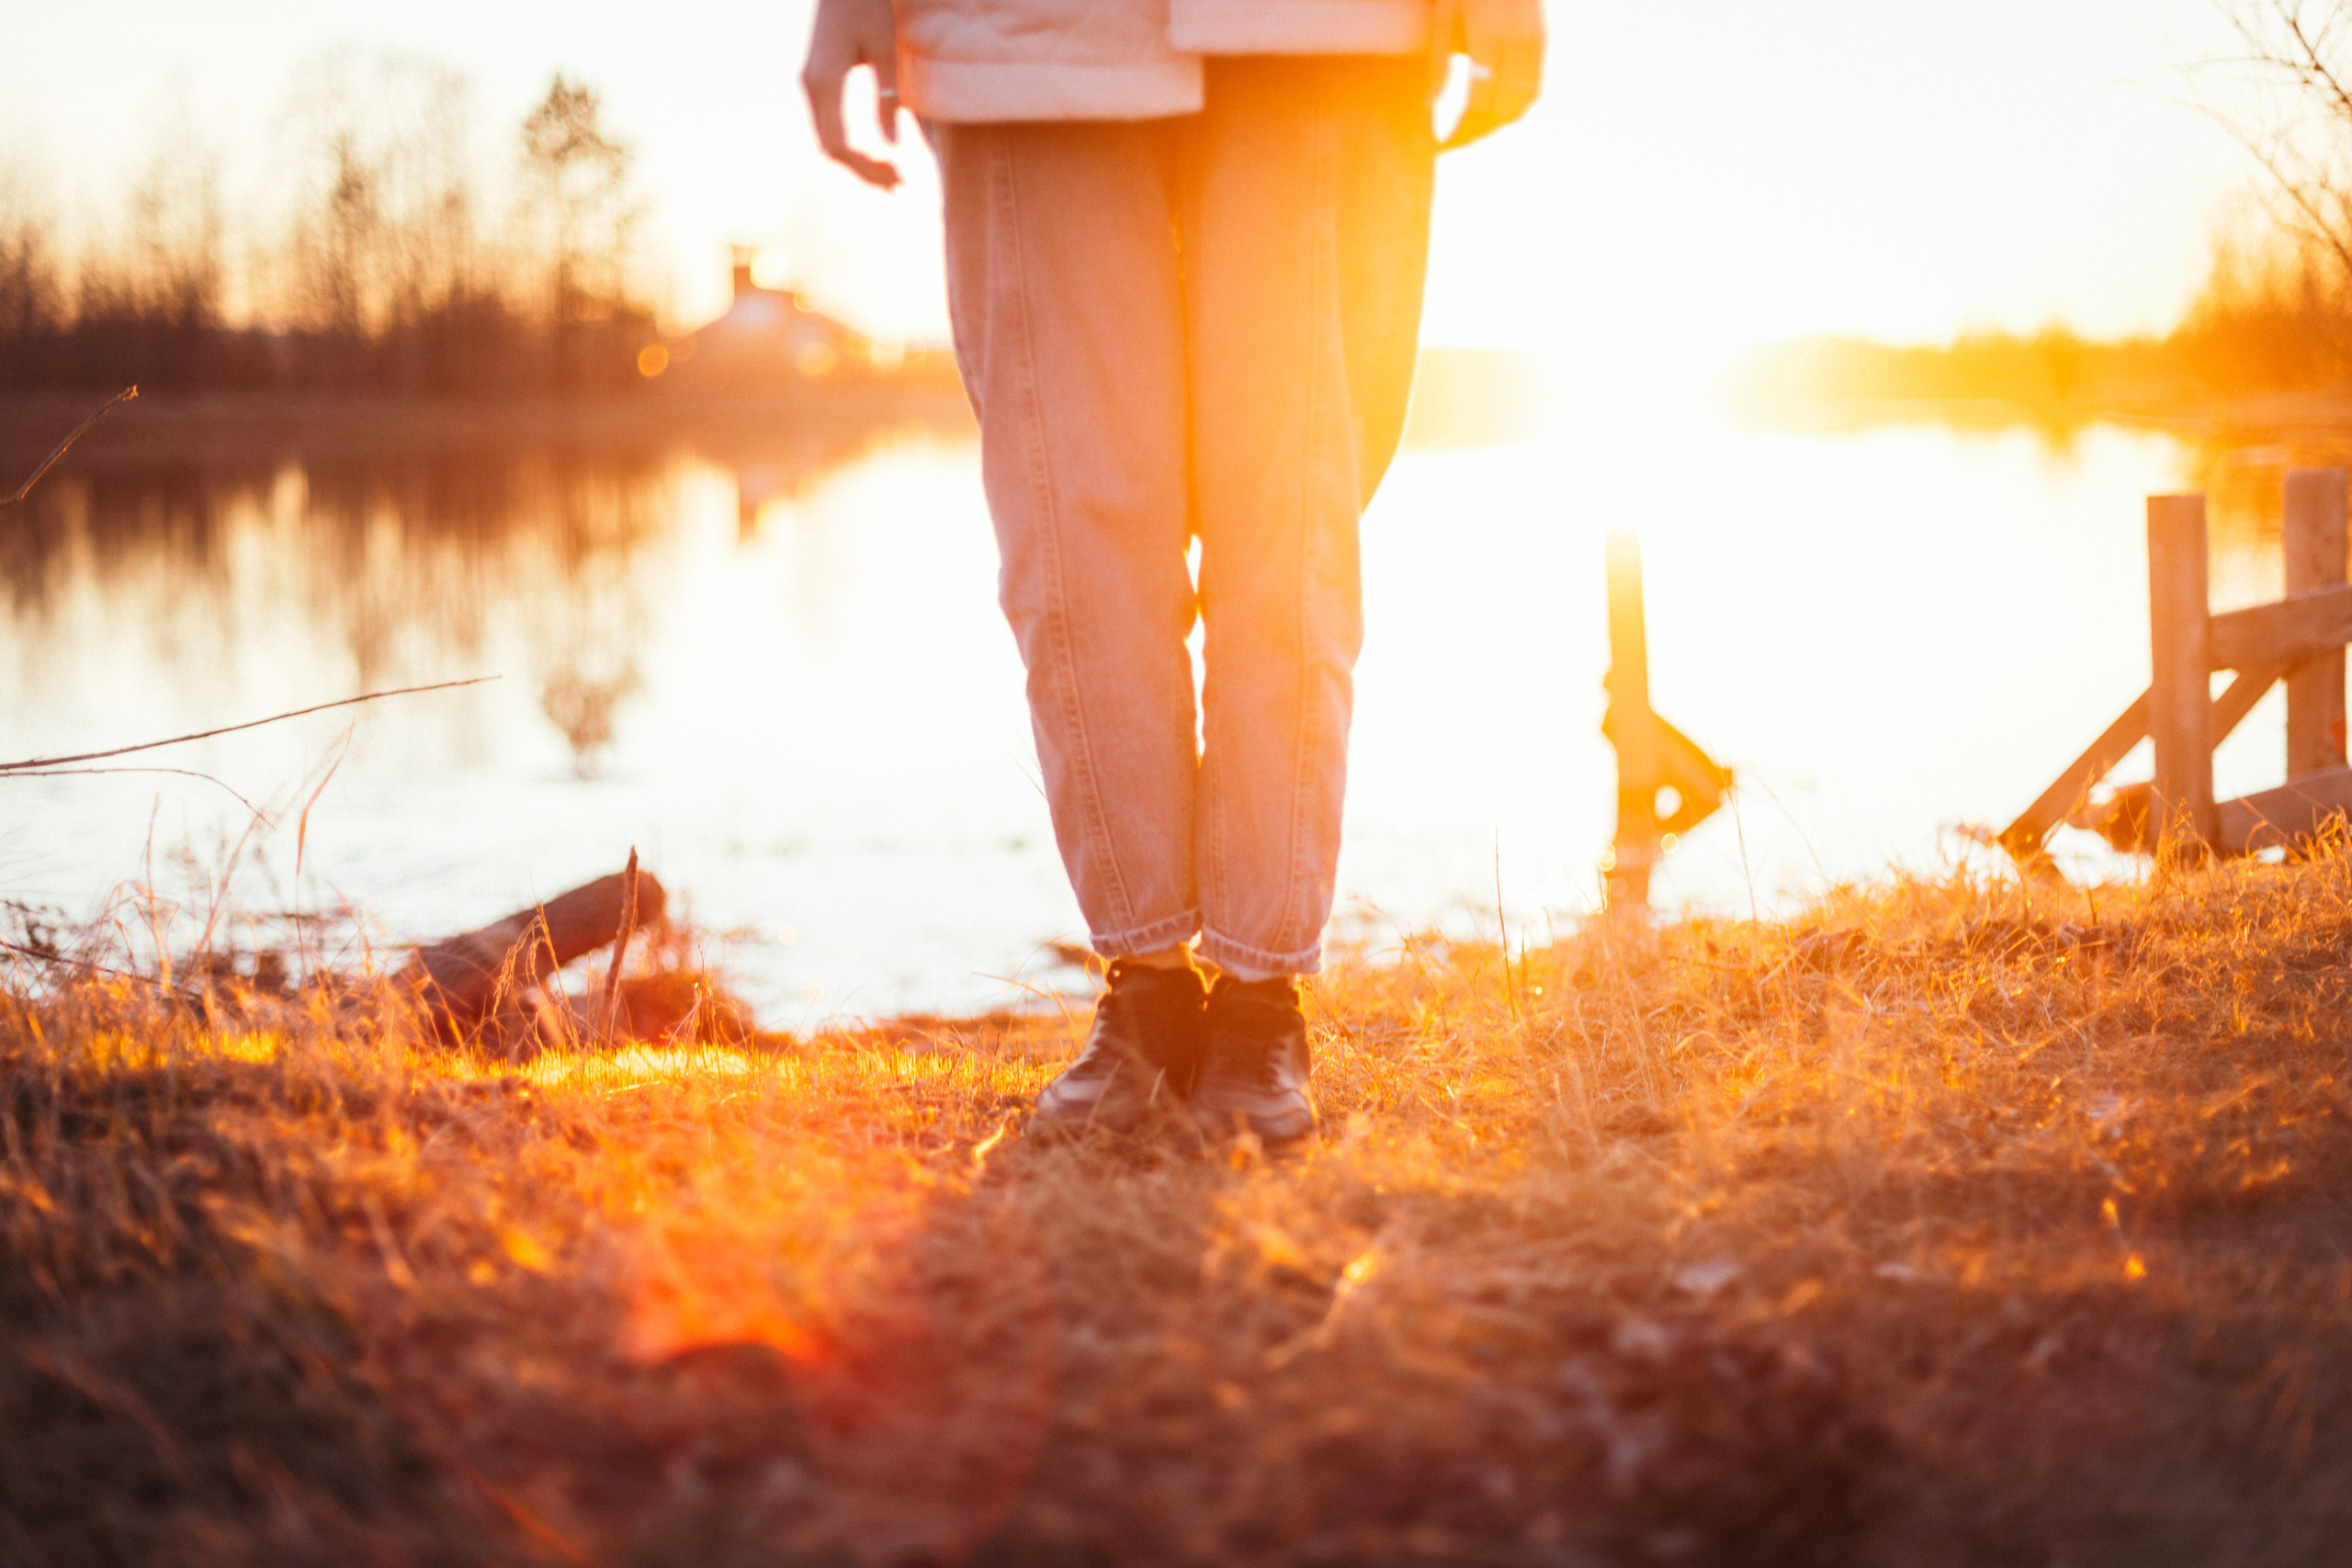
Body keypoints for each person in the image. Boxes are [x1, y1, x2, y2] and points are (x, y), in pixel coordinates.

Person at [803, 0, 1544, 1148]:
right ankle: (1147, 984)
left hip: (1321, 38)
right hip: (1025, 39)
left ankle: (1261, 999)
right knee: (1073, 523)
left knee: (1287, 512)